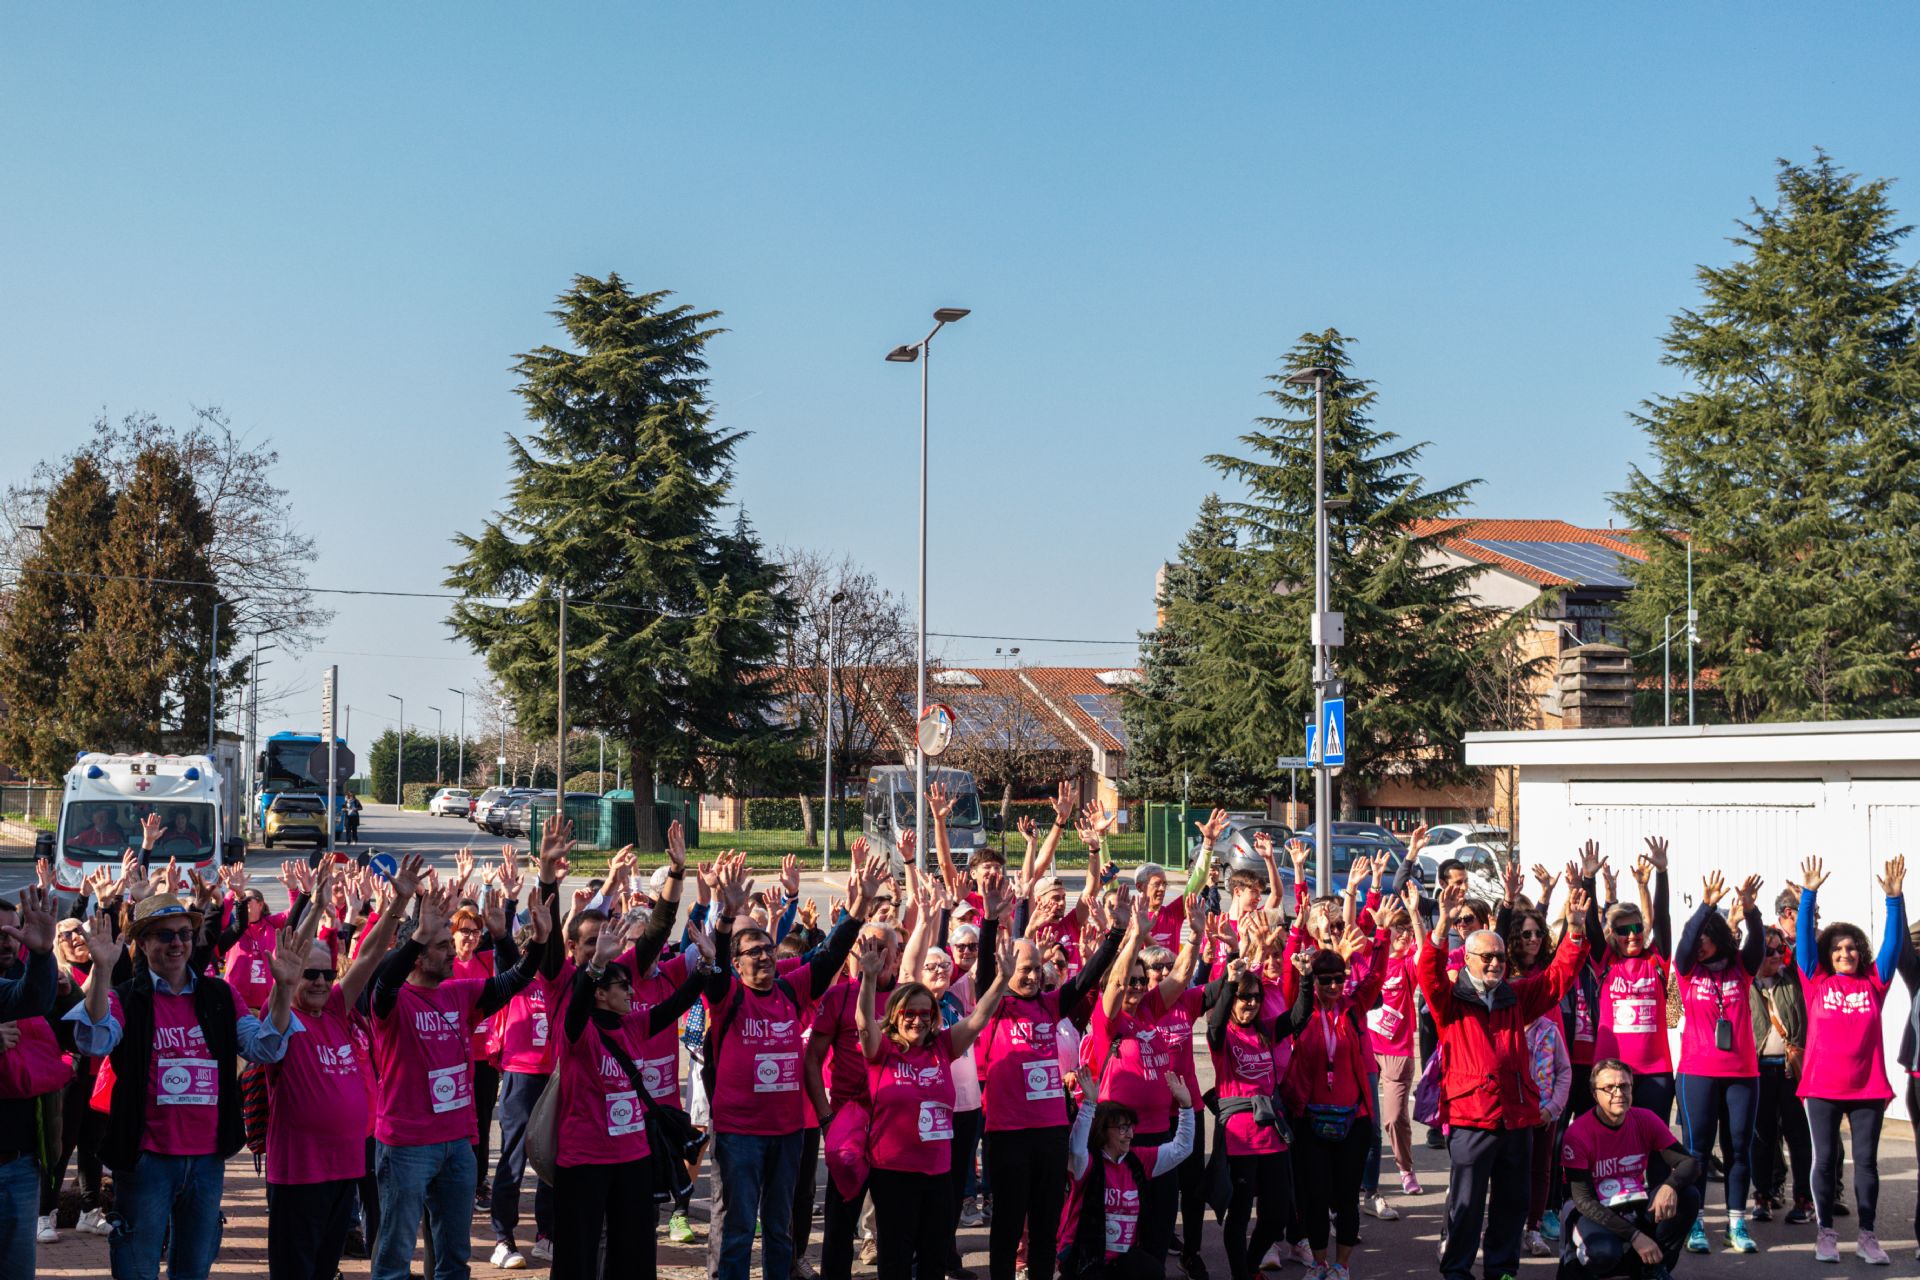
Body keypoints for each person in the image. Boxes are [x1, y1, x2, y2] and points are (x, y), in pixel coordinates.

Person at [68, 885, 303, 1280]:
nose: (177, 943)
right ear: (144, 943)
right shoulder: (128, 997)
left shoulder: (220, 995)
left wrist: (284, 990)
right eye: (165, 935)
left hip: (207, 1160)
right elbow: (93, 1040)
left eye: (184, 934)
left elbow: (264, 1047)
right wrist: (103, 971)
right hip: (146, 1160)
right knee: (137, 1269)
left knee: (193, 1271)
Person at [367, 851, 549, 1280]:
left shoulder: (459, 993)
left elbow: (515, 981)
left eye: (451, 944)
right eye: (442, 946)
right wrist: (416, 935)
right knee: (395, 1253)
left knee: (454, 1258)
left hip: (457, 1144)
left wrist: (536, 943)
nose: (453, 952)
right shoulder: (392, 1002)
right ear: (416, 955)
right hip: (407, 1146)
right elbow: (383, 981)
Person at [704, 850, 882, 1280]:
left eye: (768, 949)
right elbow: (713, 966)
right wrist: (726, 914)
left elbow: (829, 955)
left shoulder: (790, 990)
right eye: (754, 952)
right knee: (738, 1229)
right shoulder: (727, 997)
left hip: (786, 1134)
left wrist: (859, 907)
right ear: (737, 964)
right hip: (739, 1135)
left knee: (780, 1230)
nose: (765, 956)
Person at [1419, 874, 1590, 1280]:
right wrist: (1440, 928)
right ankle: (1457, 1271)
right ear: (1468, 959)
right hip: (1471, 1118)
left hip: (1516, 1117)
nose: (1495, 963)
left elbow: (1557, 978)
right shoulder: (1450, 1000)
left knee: (1511, 1205)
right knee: (1466, 1205)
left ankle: (1502, 1271)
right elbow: (1428, 972)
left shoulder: (1517, 995)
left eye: (1499, 957)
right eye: (1486, 957)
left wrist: (1575, 932)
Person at [856, 872, 1010, 1280]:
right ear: (896, 1016)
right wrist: (868, 979)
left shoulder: (943, 1045)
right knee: (895, 1261)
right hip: (893, 1173)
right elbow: (864, 1025)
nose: (918, 1020)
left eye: (926, 1014)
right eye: (909, 1014)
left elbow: (979, 1018)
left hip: (938, 1173)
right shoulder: (883, 1050)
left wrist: (1002, 980)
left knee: (932, 1260)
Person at [264, 860, 406, 1280]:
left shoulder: (336, 1011)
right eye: (310, 975)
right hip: (299, 1175)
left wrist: (398, 903)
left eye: (327, 975)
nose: (321, 983)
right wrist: (314, 907)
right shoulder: (282, 1019)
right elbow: (287, 974)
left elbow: (371, 954)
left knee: (325, 1270)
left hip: (344, 1169)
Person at [551, 894, 705, 1280]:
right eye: (623, 986)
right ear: (600, 992)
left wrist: (707, 963)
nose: (632, 992)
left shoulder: (633, 1025)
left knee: (634, 1254)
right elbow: (576, 1005)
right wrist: (596, 965)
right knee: (577, 1256)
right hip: (585, 1160)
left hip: (633, 1156)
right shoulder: (578, 1034)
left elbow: (677, 1003)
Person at [977, 891, 1128, 1280]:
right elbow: (984, 978)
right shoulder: (994, 1006)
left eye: (1036, 969)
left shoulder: (1050, 1004)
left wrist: (1116, 933)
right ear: (1007, 969)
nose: (1032, 977)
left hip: (1051, 1133)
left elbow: (1087, 977)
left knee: (1046, 1228)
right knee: (1008, 1226)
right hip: (1008, 1135)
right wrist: (990, 922)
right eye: (1024, 970)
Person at [1792, 855, 1903, 1265]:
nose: (1846, 953)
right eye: (1838, 948)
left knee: (1867, 1163)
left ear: (1861, 952)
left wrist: (1894, 900)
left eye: (1852, 947)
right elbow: (1804, 941)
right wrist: (1808, 895)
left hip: (1868, 1088)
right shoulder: (1815, 979)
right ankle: (1825, 1233)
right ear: (1828, 953)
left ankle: (1867, 1236)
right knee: (1824, 1160)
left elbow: (1893, 946)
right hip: (1821, 1087)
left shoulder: (1875, 982)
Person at [1086, 894, 1204, 1264]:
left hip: (1160, 1136)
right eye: (1132, 981)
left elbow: (1181, 976)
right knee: (1122, 1234)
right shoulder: (1108, 1019)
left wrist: (1195, 937)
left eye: (1142, 980)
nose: (1137, 987)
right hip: (1121, 1139)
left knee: (1159, 1225)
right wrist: (1135, 936)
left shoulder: (1151, 1008)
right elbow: (1117, 985)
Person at [1283, 931, 1386, 1280]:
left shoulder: (1354, 1010)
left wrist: (1382, 936)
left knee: (1346, 1198)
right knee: (1315, 1195)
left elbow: (1376, 977)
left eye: (1338, 980)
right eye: (1325, 980)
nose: (1332, 986)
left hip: (1353, 1120)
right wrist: (1295, 939)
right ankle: (1319, 1263)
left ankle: (1342, 1265)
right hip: (1310, 1119)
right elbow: (1290, 985)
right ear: (1314, 981)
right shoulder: (1302, 1012)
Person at [1672, 871, 1765, 1254]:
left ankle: (1736, 1226)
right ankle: (1694, 1224)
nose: (1699, 944)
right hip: (1697, 1074)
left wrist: (1751, 911)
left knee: (1738, 1150)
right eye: (1697, 938)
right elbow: (1684, 944)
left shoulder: (1741, 968)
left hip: (1742, 1074)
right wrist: (1706, 906)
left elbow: (1757, 943)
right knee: (1696, 1152)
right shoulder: (1687, 971)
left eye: (1706, 938)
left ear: (1721, 938)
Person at [1558, 1059, 1703, 1280]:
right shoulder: (1578, 1134)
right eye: (1609, 1087)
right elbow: (1584, 1200)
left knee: (1688, 1195)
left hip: (1631, 1201)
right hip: (1589, 1208)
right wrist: (1635, 1237)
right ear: (1595, 1094)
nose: (1618, 1093)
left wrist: (1670, 1185)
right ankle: (1580, 1269)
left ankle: (1653, 1269)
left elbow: (1690, 1163)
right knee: (1603, 1252)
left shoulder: (1646, 1119)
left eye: (1624, 1086)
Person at [1059, 1066, 1196, 1280]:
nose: (1130, 1134)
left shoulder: (1137, 1160)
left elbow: (1182, 1148)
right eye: (1122, 1128)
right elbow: (1076, 1149)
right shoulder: (1087, 1163)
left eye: (1131, 1127)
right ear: (1103, 1131)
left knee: (1152, 1271)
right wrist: (1089, 1104)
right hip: (1084, 1256)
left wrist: (1186, 1107)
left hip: (1121, 1257)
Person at [1585, 840, 1675, 1121]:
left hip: (1655, 1072)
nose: (1632, 935)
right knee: (1613, 1141)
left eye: (1637, 928)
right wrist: (1588, 880)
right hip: (1610, 1073)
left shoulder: (1656, 959)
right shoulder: (1605, 961)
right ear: (1613, 934)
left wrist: (1662, 874)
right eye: (1624, 931)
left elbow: (1662, 919)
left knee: (1654, 1141)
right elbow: (1590, 926)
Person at [0, 887, 60, 1276]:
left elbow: (35, 999)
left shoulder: (9, 987)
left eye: (13, 931)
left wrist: (41, 953)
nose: (8, 940)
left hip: (17, 1165)